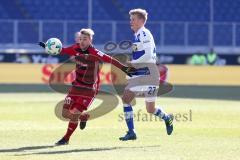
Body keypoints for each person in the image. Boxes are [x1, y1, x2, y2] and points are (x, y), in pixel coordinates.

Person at [39, 28, 136, 145]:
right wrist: (48, 47)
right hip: (76, 86)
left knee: (74, 113)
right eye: (81, 39)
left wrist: (124, 68)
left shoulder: (95, 52)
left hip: (89, 89)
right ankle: (83, 117)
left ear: (90, 40)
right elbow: (62, 50)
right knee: (65, 113)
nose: (82, 41)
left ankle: (66, 138)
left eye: (85, 39)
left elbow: (110, 59)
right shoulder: (75, 48)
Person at [119, 8, 174, 141]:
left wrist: (133, 62)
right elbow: (142, 55)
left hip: (148, 72)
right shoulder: (137, 35)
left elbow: (149, 55)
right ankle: (167, 118)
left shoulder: (144, 33)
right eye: (130, 19)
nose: (130, 22)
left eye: (133, 19)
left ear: (142, 21)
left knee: (127, 99)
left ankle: (132, 132)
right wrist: (132, 69)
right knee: (150, 108)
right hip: (143, 72)